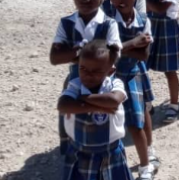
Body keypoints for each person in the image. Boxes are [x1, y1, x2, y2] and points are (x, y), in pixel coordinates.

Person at [50, 0, 122, 156]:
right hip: (76, 77)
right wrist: (82, 50)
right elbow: (54, 57)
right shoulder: (67, 23)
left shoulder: (109, 23)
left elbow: (114, 54)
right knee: (71, 117)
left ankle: (104, 151)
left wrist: (75, 54)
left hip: (102, 79)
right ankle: (73, 153)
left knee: (105, 120)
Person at [101, 0, 159, 180]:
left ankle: (145, 166)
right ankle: (111, 167)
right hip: (110, 79)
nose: (118, 0)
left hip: (132, 75)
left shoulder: (143, 19)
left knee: (136, 123)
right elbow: (105, 51)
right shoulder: (106, 18)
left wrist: (118, 48)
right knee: (109, 125)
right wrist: (133, 43)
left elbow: (143, 55)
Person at [57, 40, 134, 180]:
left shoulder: (115, 84)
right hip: (81, 152)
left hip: (110, 151)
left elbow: (114, 101)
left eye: (97, 71)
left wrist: (83, 98)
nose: (88, 75)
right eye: (83, 69)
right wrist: (95, 106)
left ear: (110, 71)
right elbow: (63, 105)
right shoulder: (75, 85)